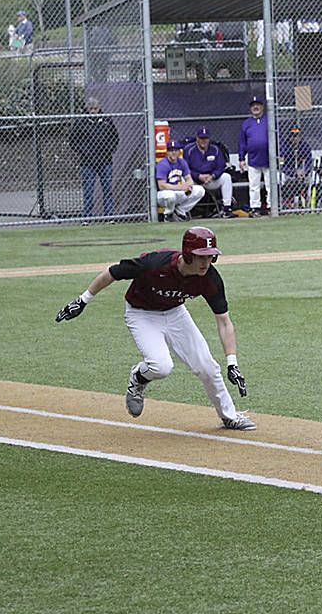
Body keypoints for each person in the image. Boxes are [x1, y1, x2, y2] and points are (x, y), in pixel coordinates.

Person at [54, 227, 256, 431]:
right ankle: (138, 377)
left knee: (207, 367)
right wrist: (83, 300)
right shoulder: (154, 263)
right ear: (187, 254)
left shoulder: (210, 278)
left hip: (175, 313)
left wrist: (232, 363)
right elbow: (113, 272)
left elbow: (224, 321)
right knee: (161, 367)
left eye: (210, 256)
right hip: (141, 314)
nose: (206, 262)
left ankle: (229, 417)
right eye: (200, 256)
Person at [70, 97, 119, 219]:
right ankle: (87, 217)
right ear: (87, 109)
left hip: (105, 160)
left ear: (99, 108)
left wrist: (109, 150)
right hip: (87, 162)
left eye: (95, 109)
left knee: (107, 190)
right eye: (91, 109)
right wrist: (84, 151)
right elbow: (73, 141)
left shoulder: (107, 121)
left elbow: (115, 138)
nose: (93, 111)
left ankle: (109, 216)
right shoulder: (80, 122)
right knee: (88, 191)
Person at [184, 126, 237, 218]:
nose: (203, 141)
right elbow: (185, 168)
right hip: (194, 180)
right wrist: (198, 176)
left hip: (210, 179)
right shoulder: (189, 149)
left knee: (226, 177)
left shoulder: (215, 149)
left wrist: (212, 176)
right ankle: (182, 211)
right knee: (182, 179)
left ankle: (226, 209)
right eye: (201, 138)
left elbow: (221, 166)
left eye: (206, 138)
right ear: (197, 138)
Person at [239, 95, 272, 216]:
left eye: (258, 105)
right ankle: (255, 207)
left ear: (262, 107)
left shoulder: (269, 120)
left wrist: (281, 155)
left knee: (270, 184)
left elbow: (279, 138)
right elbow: (242, 142)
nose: (256, 107)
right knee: (254, 185)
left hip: (269, 158)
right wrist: (241, 158)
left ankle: (271, 206)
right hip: (253, 158)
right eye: (253, 106)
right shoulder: (247, 123)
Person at [156, 140, 204, 222]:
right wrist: (180, 187)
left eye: (176, 150)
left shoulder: (182, 162)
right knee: (170, 195)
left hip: (178, 192)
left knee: (200, 190)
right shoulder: (163, 164)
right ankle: (168, 214)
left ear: (179, 152)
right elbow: (161, 186)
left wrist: (188, 186)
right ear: (167, 152)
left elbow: (189, 179)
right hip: (163, 195)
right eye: (171, 150)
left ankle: (180, 211)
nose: (174, 153)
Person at [281, 126, 314, 208]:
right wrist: (294, 173)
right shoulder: (283, 147)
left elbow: (309, 162)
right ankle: (281, 204)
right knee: (279, 178)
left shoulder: (305, 146)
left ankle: (309, 203)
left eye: (297, 136)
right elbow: (280, 166)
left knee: (314, 178)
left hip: (302, 171)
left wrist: (304, 171)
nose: (295, 138)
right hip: (287, 172)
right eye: (292, 136)